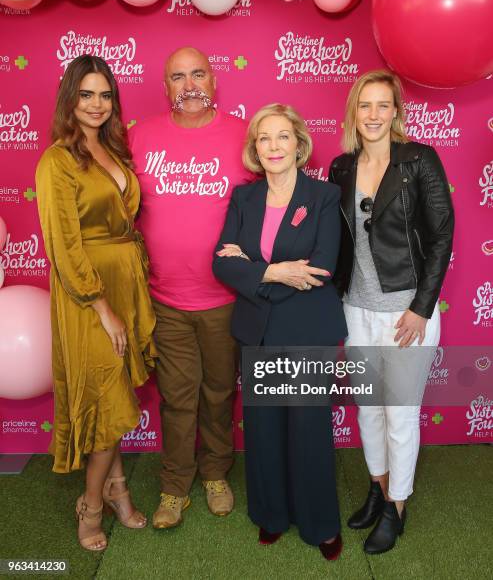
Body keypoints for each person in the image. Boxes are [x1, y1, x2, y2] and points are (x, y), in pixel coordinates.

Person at [213, 103, 347, 561]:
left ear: (299, 144)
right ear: (256, 148)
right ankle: (271, 515)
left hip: (308, 328)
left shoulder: (324, 196)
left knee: (309, 428)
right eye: (264, 137)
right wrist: (272, 272)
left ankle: (320, 525)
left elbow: (322, 267)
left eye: (282, 136)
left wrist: (254, 269)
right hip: (259, 329)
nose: (273, 145)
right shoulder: (243, 198)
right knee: (266, 428)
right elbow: (220, 261)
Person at [329, 69, 454, 554]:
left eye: (383, 106)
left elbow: (442, 234)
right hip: (355, 309)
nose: (374, 115)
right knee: (368, 411)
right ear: (354, 113)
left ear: (396, 112)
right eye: (366, 106)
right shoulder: (341, 168)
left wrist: (421, 308)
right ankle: (378, 489)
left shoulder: (419, 160)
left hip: (406, 313)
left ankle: (396, 505)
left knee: (400, 414)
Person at [36, 55, 156, 552]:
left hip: (125, 280)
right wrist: (101, 306)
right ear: (70, 99)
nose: (96, 104)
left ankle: (118, 490)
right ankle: (90, 506)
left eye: (105, 95)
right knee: (110, 396)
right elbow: (64, 247)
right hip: (87, 294)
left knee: (116, 398)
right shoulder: (56, 161)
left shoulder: (113, 149)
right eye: (86, 94)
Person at [129, 47, 252, 528]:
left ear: (214, 80)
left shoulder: (244, 135)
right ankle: (175, 485)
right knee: (179, 396)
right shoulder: (140, 137)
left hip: (224, 299)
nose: (188, 85)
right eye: (177, 76)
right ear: (166, 87)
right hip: (166, 300)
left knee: (220, 392)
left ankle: (216, 474)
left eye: (197, 73)